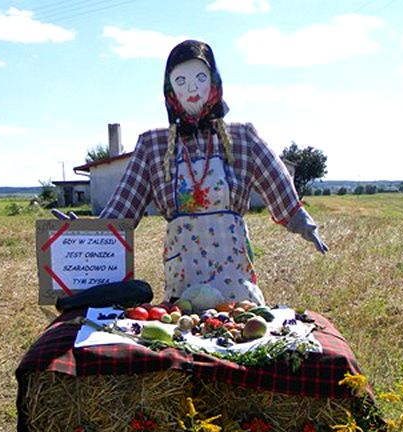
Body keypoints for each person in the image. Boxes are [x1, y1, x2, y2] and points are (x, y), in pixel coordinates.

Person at [100, 39, 327, 305]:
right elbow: (122, 210)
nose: (192, 87)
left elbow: (277, 184)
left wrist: (305, 225)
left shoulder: (243, 138)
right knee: (185, 333)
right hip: (183, 285)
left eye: (200, 77)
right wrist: (80, 236)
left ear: (214, 81)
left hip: (235, 283)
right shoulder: (153, 145)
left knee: (239, 330)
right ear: (169, 88)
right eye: (181, 81)